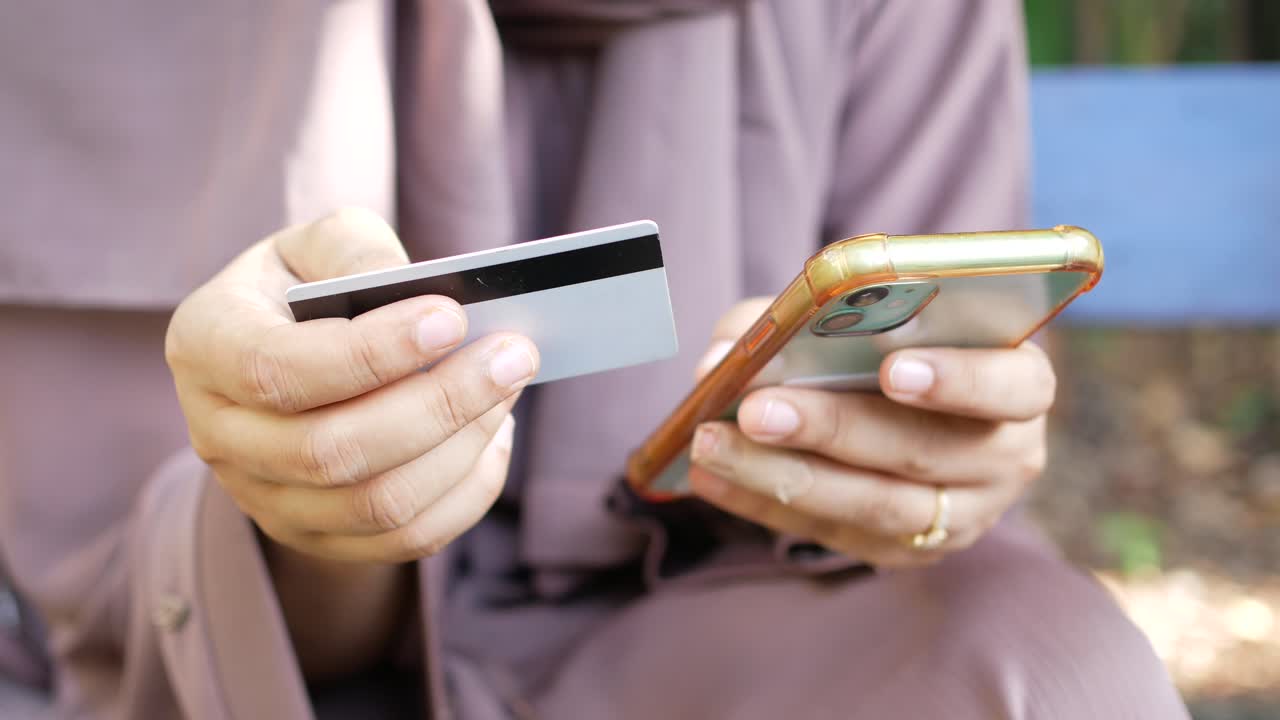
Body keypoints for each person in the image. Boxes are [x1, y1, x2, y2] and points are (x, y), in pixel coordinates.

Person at [0, 1, 1189, 718]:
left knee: (1059, 678)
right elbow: (115, 593)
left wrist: (927, 478)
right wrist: (296, 516)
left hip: (758, 618)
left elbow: (929, 390)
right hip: (241, 673)